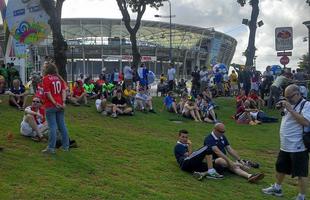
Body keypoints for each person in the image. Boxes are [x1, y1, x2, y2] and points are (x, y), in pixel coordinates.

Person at [262, 84, 310, 200]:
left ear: (298, 94)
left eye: (290, 97)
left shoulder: (306, 105)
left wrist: (290, 109)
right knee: (280, 167)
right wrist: (282, 106)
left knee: (300, 172)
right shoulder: (290, 104)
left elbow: (306, 122)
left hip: (298, 145)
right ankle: (277, 188)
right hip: (285, 144)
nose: (287, 100)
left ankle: (301, 196)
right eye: (285, 97)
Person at [41, 63, 70, 154]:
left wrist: (54, 102)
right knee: (62, 126)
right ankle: (66, 146)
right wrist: (64, 102)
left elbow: (48, 93)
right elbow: (63, 90)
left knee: (52, 127)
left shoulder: (46, 79)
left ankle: (51, 148)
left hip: (51, 105)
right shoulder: (58, 78)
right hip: (61, 104)